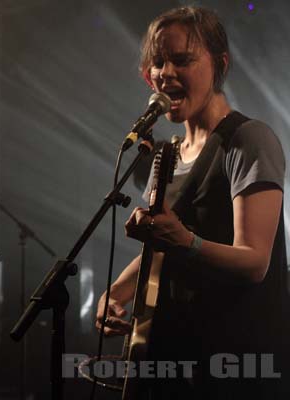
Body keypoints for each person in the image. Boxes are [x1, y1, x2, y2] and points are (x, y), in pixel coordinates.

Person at [95, 6, 288, 399]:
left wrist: (186, 241)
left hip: (236, 363)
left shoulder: (248, 140)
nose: (165, 73)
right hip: (179, 359)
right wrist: (115, 293)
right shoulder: (167, 155)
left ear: (219, 64)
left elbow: (255, 262)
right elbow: (162, 247)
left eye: (182, 60)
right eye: (158, 62)